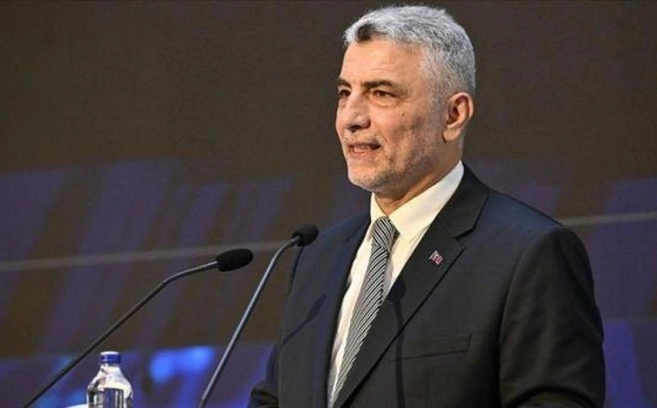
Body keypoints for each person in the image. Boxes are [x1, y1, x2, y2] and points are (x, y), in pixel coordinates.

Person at [250, 5, 605, 408]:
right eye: (345, 93)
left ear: (453, 115)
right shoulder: (317, 258)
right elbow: (274, 398)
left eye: (381, 93)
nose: (351, 118)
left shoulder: (528, 254)